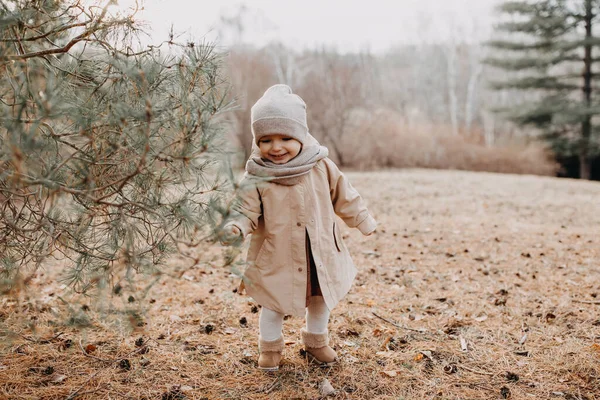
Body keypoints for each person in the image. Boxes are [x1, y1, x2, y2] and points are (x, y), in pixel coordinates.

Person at [220, 84, 376, 371]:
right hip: (278, 252)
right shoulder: (257, 175)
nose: (276, 147)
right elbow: (244, 209)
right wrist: (236, 226)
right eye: (266, 140)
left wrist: (362, 219)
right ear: (257, 142)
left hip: (319, 249)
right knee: (273, 303)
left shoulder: (321, 166)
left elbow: (344, 194)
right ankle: (270, 347)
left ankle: (316, 342)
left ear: (301, 136)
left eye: (285, 138)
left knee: (320, 299)